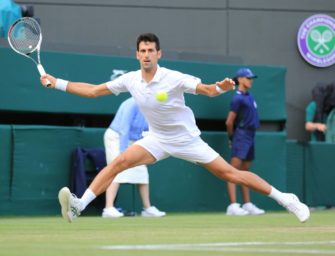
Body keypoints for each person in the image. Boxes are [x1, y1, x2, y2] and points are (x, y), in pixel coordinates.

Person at [40, 33, 310, 223]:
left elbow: (206, 90)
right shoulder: (131, 80)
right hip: (156, 139)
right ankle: (79, 206)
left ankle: (287, 199)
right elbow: (93, 91)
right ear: (137, 54)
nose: (146, 55)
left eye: (151, 50)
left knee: (232, 174)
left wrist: (220, 87)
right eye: (142, 51)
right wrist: (58, 82)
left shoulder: (174, 77)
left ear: (159, 54)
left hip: (187, 140)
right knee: (119, 162)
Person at [103, 97, 165, 218]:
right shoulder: (131, 104)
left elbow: (150, 130)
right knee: (116, 169)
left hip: (135, 140)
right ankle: (108, 208)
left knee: (142, 171)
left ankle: (147, 209)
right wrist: (123, 152)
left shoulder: (153, 108)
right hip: (116, 138)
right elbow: (124, 128)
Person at [225, 68, 264, 216]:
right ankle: (233, 206)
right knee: (232, 171)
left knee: (245, 171)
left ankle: (247, 204)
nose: (251, 80)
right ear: (240, 79)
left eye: (251, 78)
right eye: (248, 78)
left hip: (251, 135)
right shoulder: (237, 98)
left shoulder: (249, 96)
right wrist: (232, 138)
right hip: (241, 135)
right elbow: (229, 122)